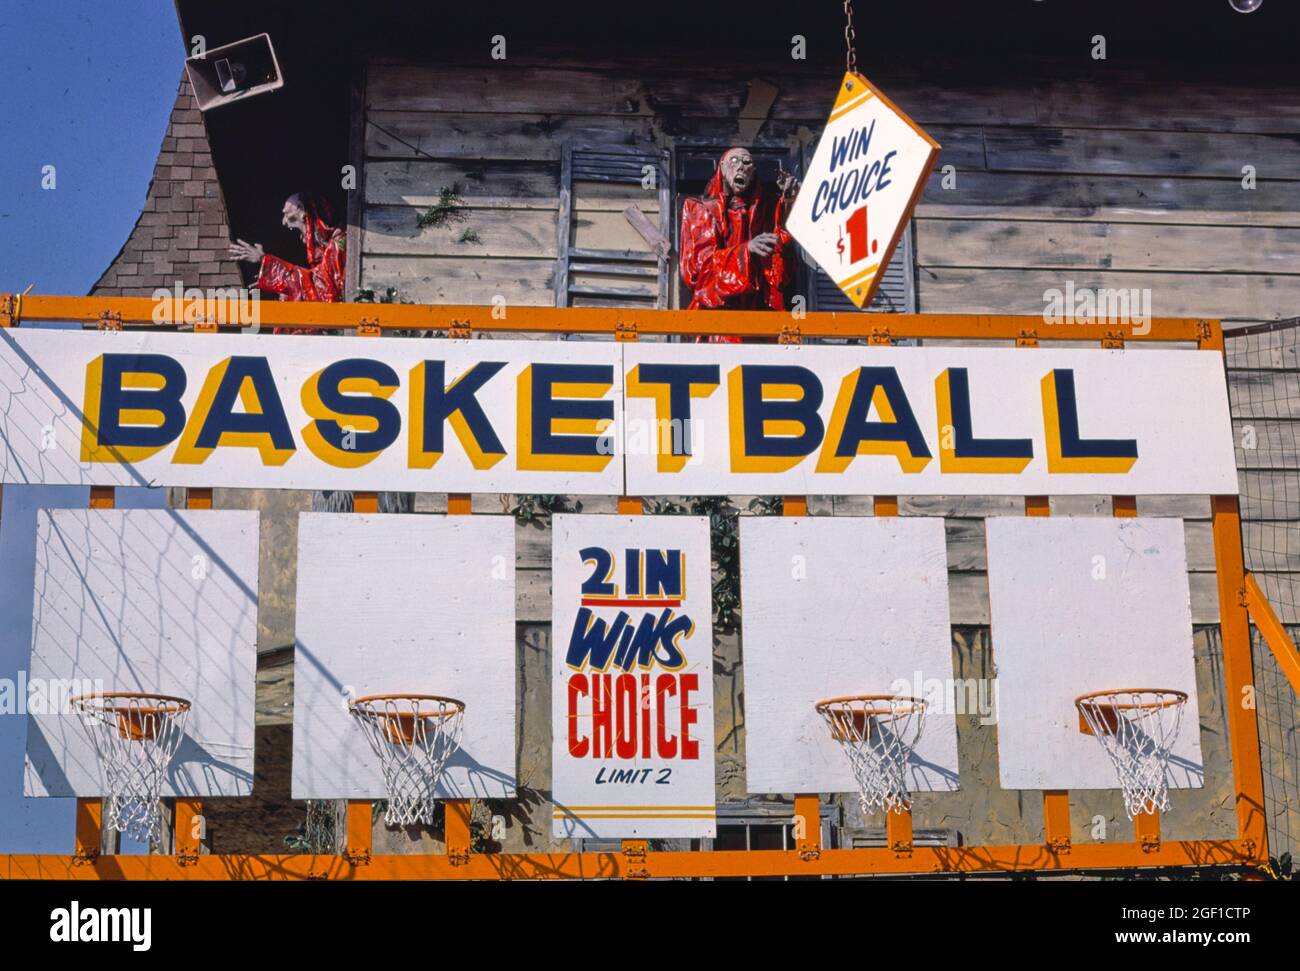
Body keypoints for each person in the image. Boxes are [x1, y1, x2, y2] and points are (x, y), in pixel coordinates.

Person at [229, 193, 409, 514]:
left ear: (310, 214)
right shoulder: (325, 252)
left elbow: (322, 292)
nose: (285, 223)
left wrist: (267, 263)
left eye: (290, 214)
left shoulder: (339, 245)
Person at [679, 147, 800, 342]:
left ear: (753, 173)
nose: (741, 167)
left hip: (756, 322)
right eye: (734, 161)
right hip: (717, 321)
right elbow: (698, 271)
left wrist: (788, 203)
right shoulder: (700, 209)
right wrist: (745, 251)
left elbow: (780, 274)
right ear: (722, 168)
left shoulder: (763, 213)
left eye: (747, 162)